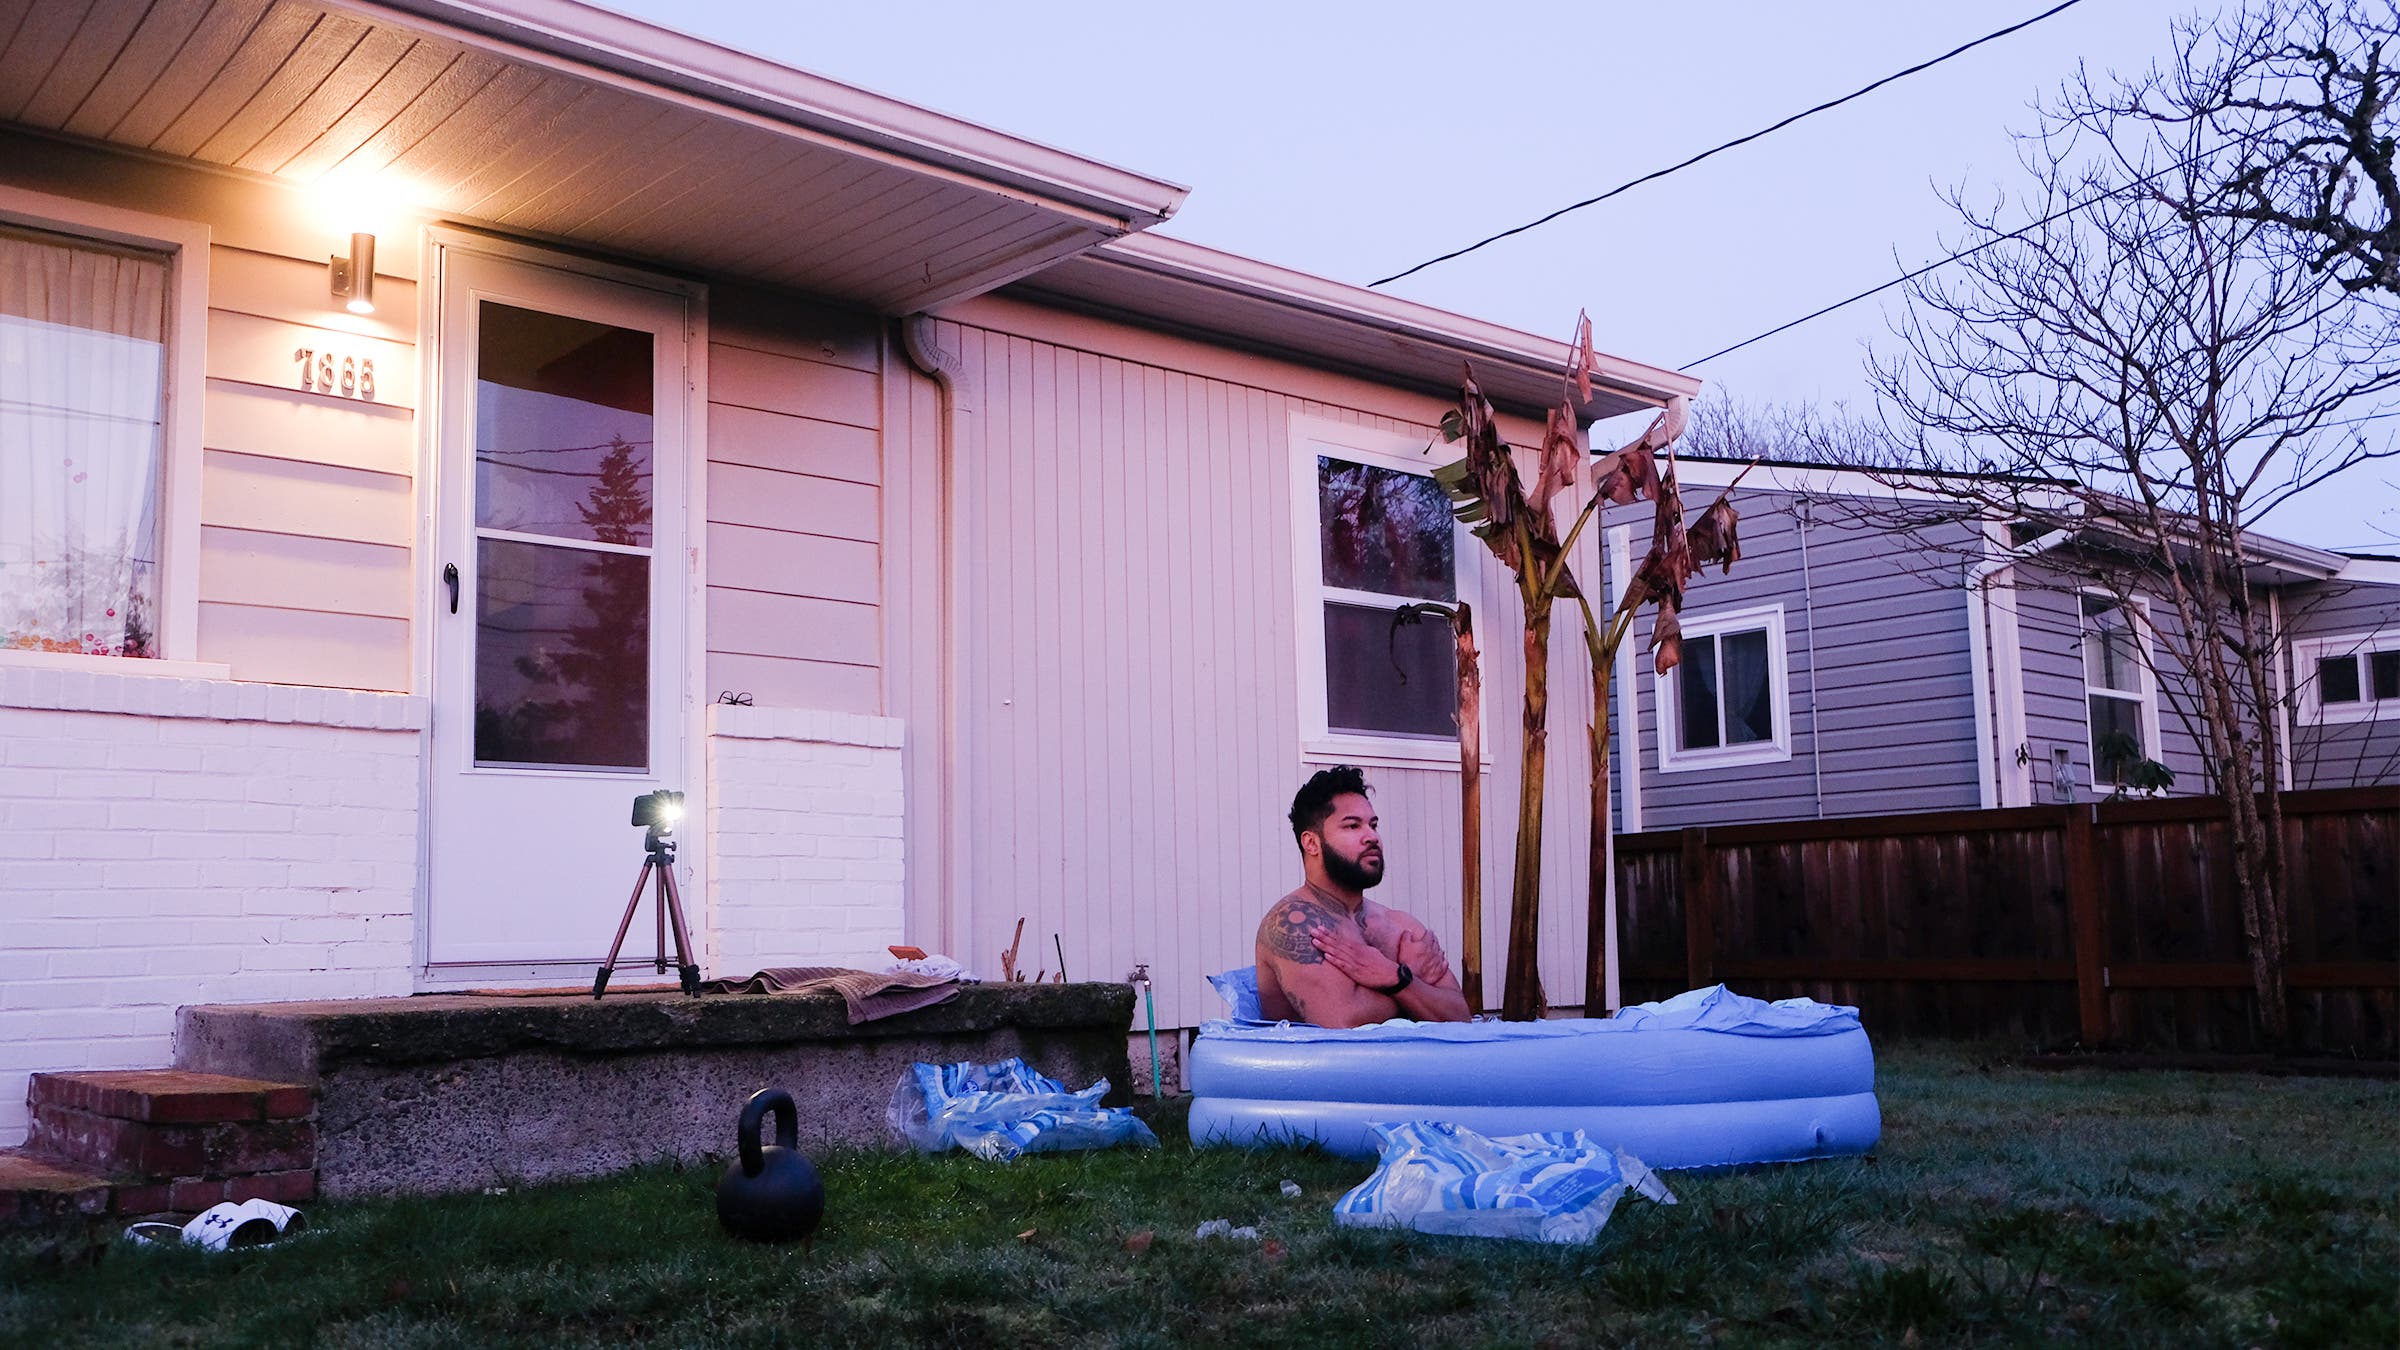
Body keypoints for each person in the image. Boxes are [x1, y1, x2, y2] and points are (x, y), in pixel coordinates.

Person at [1254, 766, 1473, 1027]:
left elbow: (1460, 1017)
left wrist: (1392, 975)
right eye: (1352, 826)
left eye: (1373, 825)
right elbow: (1344, 1024)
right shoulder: (1294, 922)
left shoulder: (1401, 925)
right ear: (1311, 843)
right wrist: (1408, 977)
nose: (1372, 837)